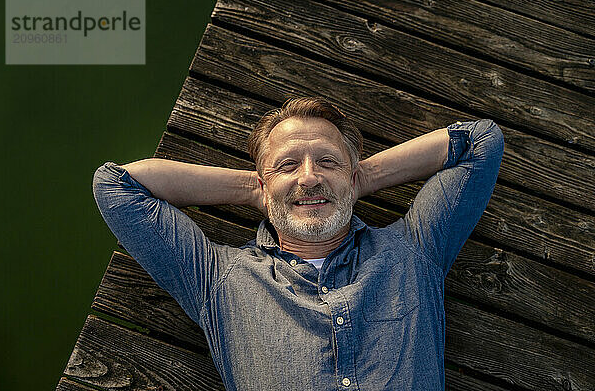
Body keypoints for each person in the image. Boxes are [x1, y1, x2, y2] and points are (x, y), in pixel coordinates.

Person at [93, 97, 504, 390]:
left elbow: (481, 141)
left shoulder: (414, 247)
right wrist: (253, 189)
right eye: (288, 165)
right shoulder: (218, 278)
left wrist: (367, 176)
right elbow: (116, 185)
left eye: (328, 162)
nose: (309, 177)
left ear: (354, 174)